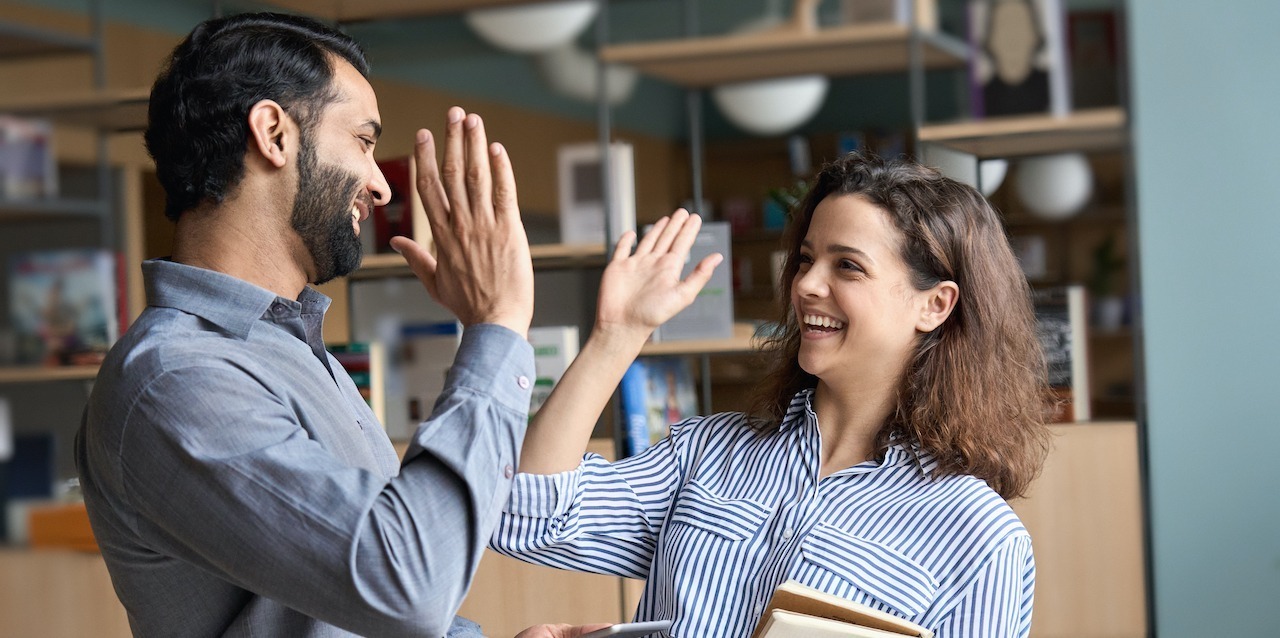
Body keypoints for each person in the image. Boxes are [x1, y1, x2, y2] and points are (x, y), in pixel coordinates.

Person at [73, 12, 706, 638]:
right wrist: (497, 324)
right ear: (274, 134)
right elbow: (406, 586)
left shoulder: (288, 347)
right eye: (364, 142)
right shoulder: (178, 379)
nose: (379, 186)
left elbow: (352, 610)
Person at [493, 153, 1055, 637]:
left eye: (848, 267)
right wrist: (615, 337)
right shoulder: (705, 453)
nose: (806, 284)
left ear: (934, 304)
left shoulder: (980, 539)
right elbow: (524, 515)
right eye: (807, 259)